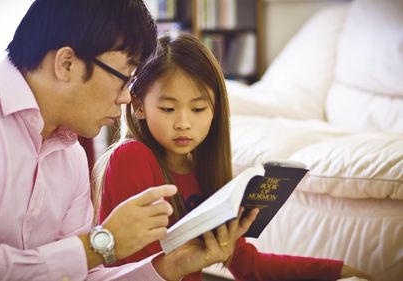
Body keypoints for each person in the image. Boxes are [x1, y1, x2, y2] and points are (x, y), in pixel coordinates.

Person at [0, 1, 258, 280]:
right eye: (124, 79)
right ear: (67, 63)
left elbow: (80, 275)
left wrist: (170, 267)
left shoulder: (71, 153)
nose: (124, 100)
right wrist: (102, 242)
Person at [93, 32, 372, 281]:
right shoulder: (131, 157)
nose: (183, 123)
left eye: (199, 109)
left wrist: (339, 270)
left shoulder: (202, 170)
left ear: (215, 111)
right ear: (139, 105)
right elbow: (140, 269)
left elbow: (248, 266)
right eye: (168, 109)